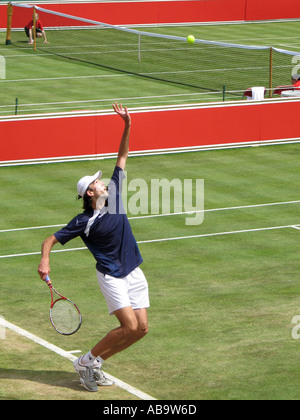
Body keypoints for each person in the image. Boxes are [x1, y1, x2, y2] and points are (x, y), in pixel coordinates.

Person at [37, 103, 150, 392]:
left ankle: (94, 363)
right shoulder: (83, 221)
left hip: (133, 271)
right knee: (128, 327)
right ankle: (85, 361)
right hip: (112, 275)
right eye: (98, 182)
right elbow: (49, 239)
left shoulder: (115, 192)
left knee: (141, 329)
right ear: (90, 192)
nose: (103, 183)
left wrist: (128, 125)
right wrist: (45, 261)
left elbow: (122, 155)